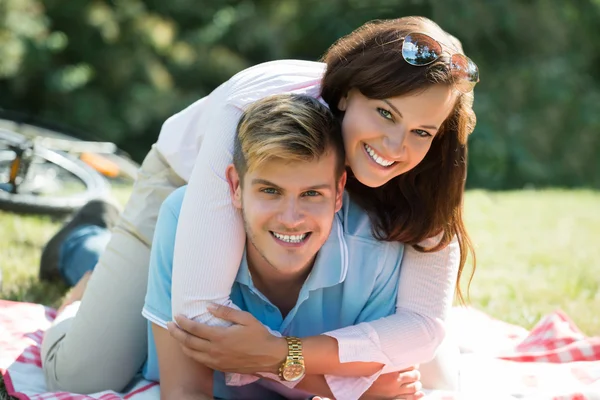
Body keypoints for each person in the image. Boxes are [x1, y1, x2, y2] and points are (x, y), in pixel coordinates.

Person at [40, 15, 478, 395]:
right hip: (198, 180)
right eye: (385, 113)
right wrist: (331, 378)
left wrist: (281, 353)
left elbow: (423, 331)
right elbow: (200, 317)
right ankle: (86, 256)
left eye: (422, 131)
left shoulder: (429, 163)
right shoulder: (249, 106)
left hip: (310, 195)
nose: (396, 145)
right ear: (346, 95)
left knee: (438, 381)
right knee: (84, 373)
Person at [145, 93, 424, 399]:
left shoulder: (377, 246)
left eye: (311, 194)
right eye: (270, 190)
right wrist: (344, 388)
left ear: (338, 191)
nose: (291, 219)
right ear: (235, 187)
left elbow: (387, 384)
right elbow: (185, 391)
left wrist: (272, 357)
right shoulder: (187, 219)